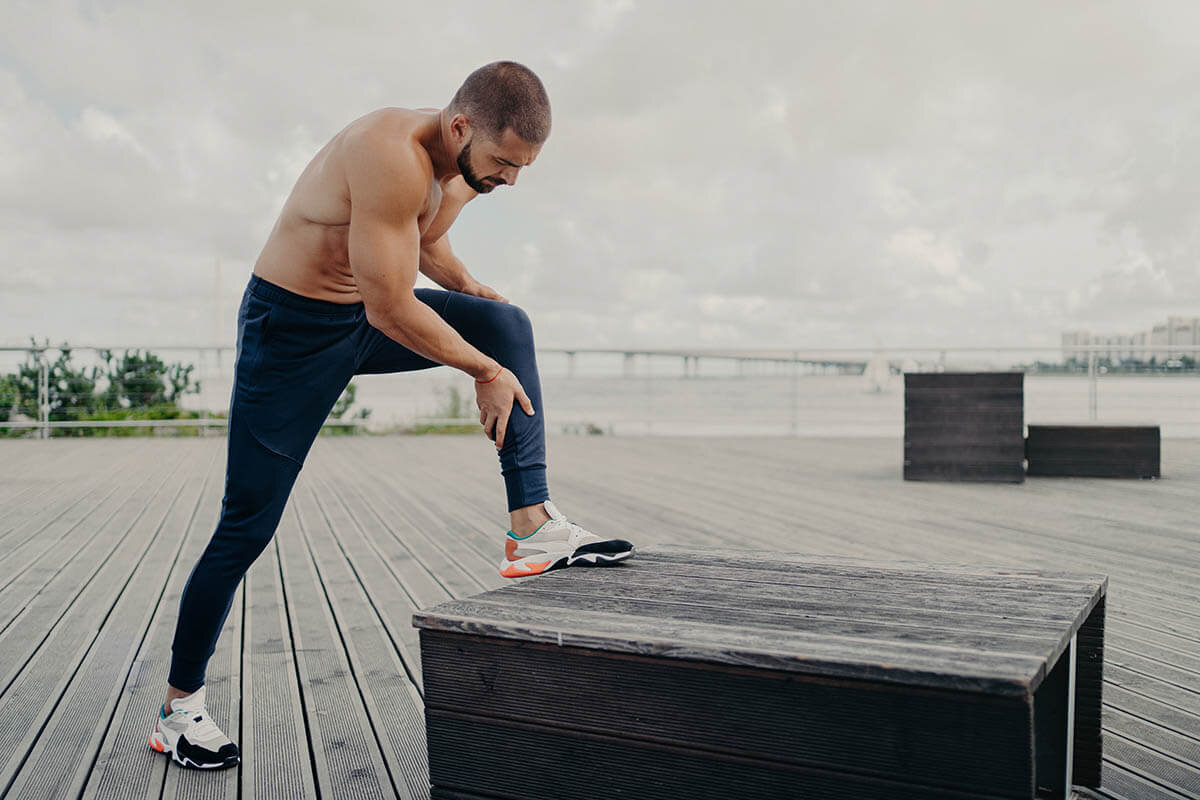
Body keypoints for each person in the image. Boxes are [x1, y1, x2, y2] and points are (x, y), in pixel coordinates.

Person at [148, 61, 635, 770]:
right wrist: (483, 369)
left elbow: (425, 243)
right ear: (460, 126)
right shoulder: (390, 153)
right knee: (245, 525)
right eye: (503, 162)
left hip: (358, 317)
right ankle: (178, 710)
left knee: (509, 323)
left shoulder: (460, 171)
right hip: (292, 335)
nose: (511, 180)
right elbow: (390, 304)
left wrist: (477, 298)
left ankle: (531, 527)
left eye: (524, 167)